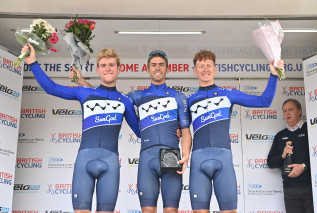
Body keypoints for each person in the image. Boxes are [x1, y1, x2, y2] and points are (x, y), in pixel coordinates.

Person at [21, 44, 141, 213]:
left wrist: (174, 128)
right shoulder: (84, 93)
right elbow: (51, 88)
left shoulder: (125, 101)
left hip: (110, 163)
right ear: (98, 69)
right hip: (84, 161)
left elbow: (140, 131)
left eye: (112, 65)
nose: (108, 69)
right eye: (104, 65)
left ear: (119, 69)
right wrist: (33, 62)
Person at [72, 50, 192, 213]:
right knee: (147, 211)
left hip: (170, 153)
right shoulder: (136, 96)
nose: (157, 68)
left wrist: (185, 154)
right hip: (147, 155)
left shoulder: (178, 97)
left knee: (171, 211)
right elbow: (105, 97)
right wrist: (82, 82)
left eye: (161, 65)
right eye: (153, 65)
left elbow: (185, 130)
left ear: (167, 68)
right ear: (147, 69)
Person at [187, 50, 283, 213]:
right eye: (201, 66)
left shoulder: (228, 94)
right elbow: (180, 130)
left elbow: (263, 101)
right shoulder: (189, 100)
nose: (205, 69)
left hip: (223, 159)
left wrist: (273, 75)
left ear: (215, 69)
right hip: (198, 159)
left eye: (209, 65)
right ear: (194, 70)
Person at [267, 99, 313, 213]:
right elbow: (271, 163)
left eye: (291, 109)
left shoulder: (311, 130)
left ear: (299, 111)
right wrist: (282, 155)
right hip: (290, 189)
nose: (287, 113)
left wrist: (304, 166)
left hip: (311, 187)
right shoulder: (280, 135)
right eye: (285, 111)